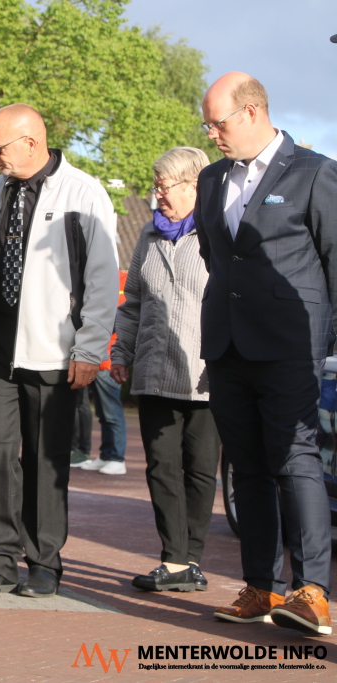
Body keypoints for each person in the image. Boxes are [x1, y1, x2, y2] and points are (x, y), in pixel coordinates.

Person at [0, 104, 118, 597]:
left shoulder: (83, 192)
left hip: (53, 351)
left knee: (46, 459)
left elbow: (103, 276)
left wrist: (90, 347)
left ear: (31, 142)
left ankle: (44, 563)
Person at [196, 73, 335, 636]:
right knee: (246, 466)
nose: (211, 134)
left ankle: (311, 592)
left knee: (296, 460)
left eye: (217, 123)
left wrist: (326, 341)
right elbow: (215, 256)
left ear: (251, 112)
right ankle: (261, 586)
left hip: (291, 347)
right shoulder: (210, 178)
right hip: (227, 345)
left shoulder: (314, 172)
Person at [110, 146, 219, 592]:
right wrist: (121, 352)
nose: (158, 194)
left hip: (206, 374)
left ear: (194, 186)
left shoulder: (218, 233)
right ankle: (174, 560)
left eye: (165, 186)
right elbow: (133, 301)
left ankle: (191, 559)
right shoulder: (148, 235)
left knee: (201, 469)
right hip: (154, 371)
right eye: (156, 186)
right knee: (161, 467)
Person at [74, 270, 128, 474]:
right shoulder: (94, 278)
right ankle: (106, 455)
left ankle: (117, 458)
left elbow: (120, 318)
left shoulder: (123, 280)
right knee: (103, 413)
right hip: (93, 356)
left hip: (108, 359)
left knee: (111, 412)